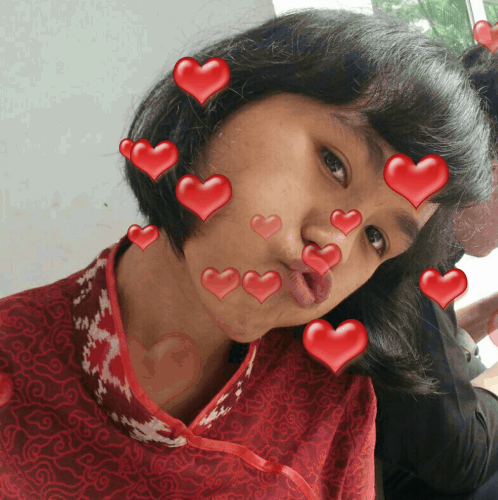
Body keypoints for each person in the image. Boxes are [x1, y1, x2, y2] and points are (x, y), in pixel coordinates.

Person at [0, 9, 494, 500]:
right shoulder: (15, 362)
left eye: (376, 238)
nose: (335, 246)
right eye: (334, 164)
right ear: (224, 98)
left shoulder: (336, 407)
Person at [374, 43, 498, 500]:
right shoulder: (403, 251)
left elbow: (418, 358)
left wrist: (489, 309)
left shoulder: (434, 242)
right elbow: (458, 455)